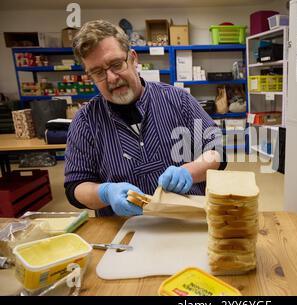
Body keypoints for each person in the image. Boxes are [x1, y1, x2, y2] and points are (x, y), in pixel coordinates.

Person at [64, 20, 226, 217]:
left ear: (133, 58)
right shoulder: (85, 121)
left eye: (116, 64)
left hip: (186, 221)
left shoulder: (178, 99)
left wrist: (189, 172)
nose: (112, 78)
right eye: (98, 72)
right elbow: (75, 187)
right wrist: (106, 192)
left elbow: (216, 151)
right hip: (122, 229)